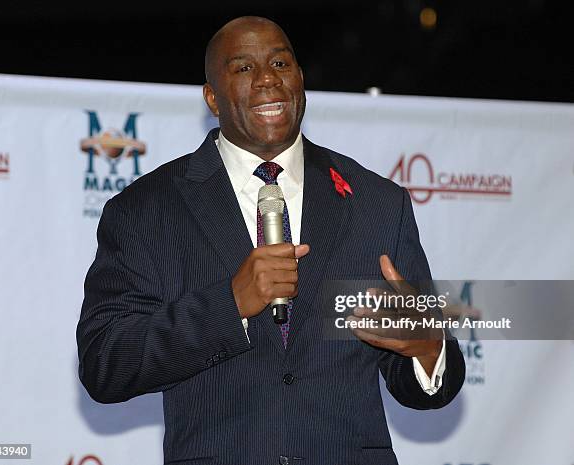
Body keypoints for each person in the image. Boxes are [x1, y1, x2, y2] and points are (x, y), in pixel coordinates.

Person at [77, 16, 465, 465]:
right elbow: (105, 363)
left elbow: (429, 380)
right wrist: (229, 305)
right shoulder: (147, 209)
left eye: (280, 62)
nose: (267, 79)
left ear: (299, 79)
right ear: (212, 98)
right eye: (243, 68)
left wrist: (427, 348)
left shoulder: (377, 203)